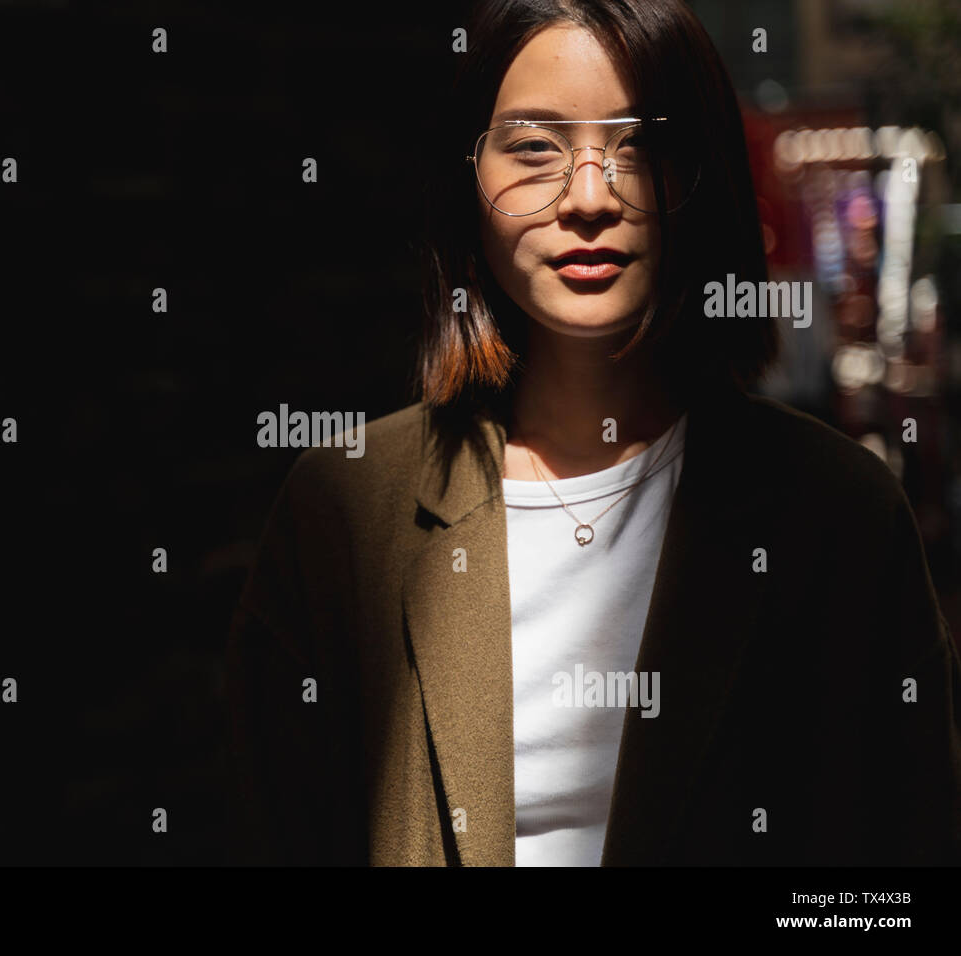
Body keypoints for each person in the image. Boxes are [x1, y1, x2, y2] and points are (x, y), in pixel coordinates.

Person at [224, 0, 961, 866]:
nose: (586, 198)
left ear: (706, 173)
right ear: (468, 176)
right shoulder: (346, 506)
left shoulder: (835, 513)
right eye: (534, 148)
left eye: (638, 145)